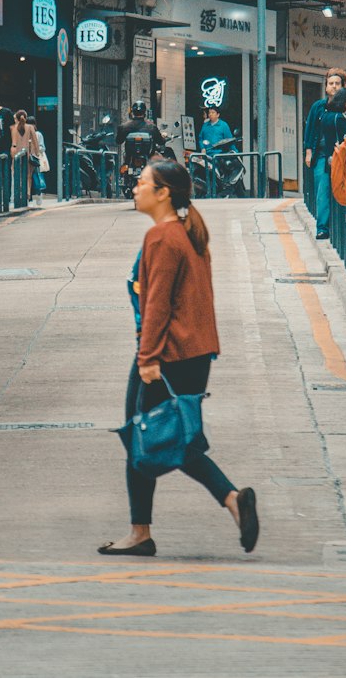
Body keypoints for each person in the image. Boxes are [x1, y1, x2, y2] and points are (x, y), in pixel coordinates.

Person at [98, 158, 259, 558]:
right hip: (196, 353)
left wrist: (148, 357)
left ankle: (144, 531)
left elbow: (157, 306)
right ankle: (229, 500)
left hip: (167, 354)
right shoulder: (190, 233)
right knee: (170, 436)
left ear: (163, 193)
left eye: (141, 183)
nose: (134, 188)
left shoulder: (163, 238)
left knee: (143, 436)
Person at [312, 87, 346, 240]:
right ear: (345, 102)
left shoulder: (325, 116)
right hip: (338, 160)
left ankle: (322, 228)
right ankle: (342, 228)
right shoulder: (341, 119)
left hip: (325, 159)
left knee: (323, 194)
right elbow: (345, 141)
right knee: (341, 191)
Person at [303, 68, 346, 170]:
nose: (334, 86)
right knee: (322, 185)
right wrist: (308, 151)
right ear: (326, 87)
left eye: (337, 83)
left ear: (343, 86)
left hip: (344, 156)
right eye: (331, 83)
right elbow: (310, 129)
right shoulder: (318, 106)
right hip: (321, 155)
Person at [10, 109, 41, 201]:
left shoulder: (13, 128)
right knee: (28, 176)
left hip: (16, 155)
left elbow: (13, 143)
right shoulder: (30, 127)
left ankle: (17, 194)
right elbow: (35, 142)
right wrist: (37, 153)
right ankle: (27, 194)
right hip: (27, 154)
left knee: (16, 175)